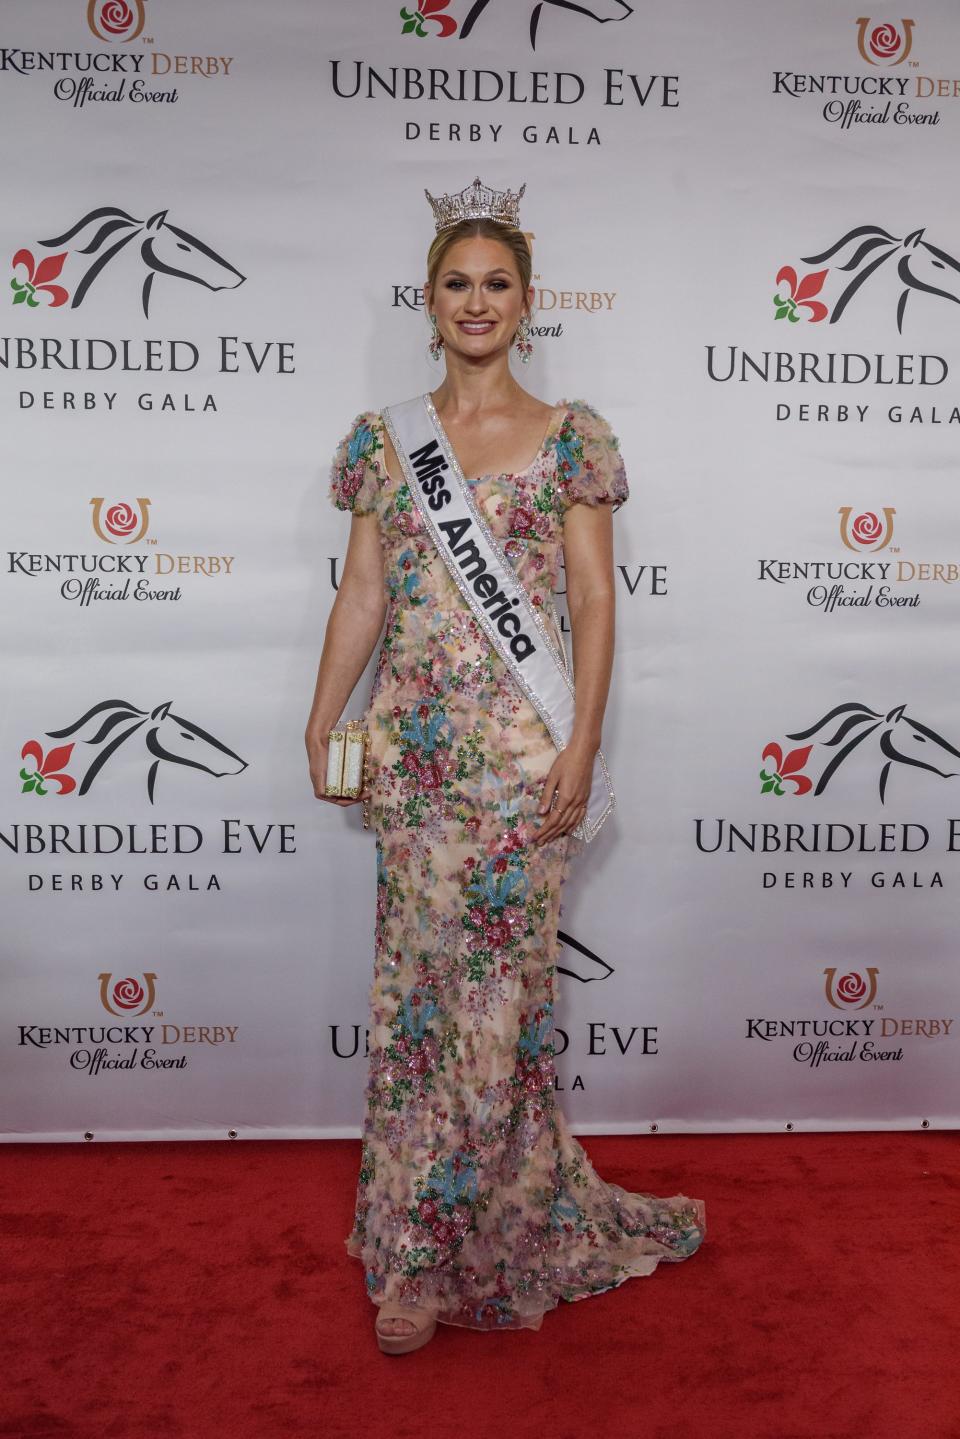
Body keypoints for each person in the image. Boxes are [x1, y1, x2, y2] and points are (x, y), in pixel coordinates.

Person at [304, 177, 706, 1355]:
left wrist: (583, 744)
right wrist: (325, 719)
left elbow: (589, 599)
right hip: (415, 767)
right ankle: (419, 1254)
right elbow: (364, 593)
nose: (475, 302)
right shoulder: (385, 443)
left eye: (496, 283)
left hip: (525, 771)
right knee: (421, 1010)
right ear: (426, 301)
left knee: (502, 1013)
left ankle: (508, 1225)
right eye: (455, 283)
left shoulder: (574, 435)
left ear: (526, 301)